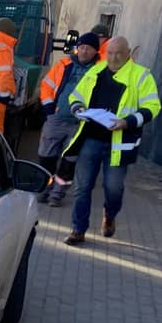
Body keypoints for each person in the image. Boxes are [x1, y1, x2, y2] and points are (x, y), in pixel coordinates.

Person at [60, 36, 161, 245]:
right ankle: (78, 229)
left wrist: (128, 122)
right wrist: (78, 108)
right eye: (110, 53)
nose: (113, 58)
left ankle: (110, 213)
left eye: (119, 54)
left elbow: (152, 107)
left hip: (119, 143)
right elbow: (76, 95)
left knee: (113, 188)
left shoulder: (141, 75)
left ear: (128, 53)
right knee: (82, 187)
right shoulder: (95, 71)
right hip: (91, 138)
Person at [36, 32, 101, 205]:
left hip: (80, 124)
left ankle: (57, 195)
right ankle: (43, 189)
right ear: (77, 48)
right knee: (46, 157)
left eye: (89, 48)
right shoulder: (63, 65)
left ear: (96, 51)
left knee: (69, 161)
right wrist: (49, 108)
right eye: (82, 47)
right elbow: (46, 85)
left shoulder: (100, 71)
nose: (84, 51)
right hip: (56, 119)